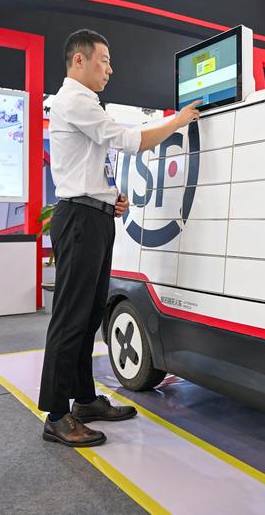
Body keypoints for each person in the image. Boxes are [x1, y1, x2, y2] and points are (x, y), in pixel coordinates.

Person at [39, 29, 201, 447]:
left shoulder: (86, 104)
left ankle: (84, 401)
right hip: (79, 220)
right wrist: (177, 121)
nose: (110, 69)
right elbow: (131, 142)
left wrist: (109, 197)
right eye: (104, 60)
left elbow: (90, 167)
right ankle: (56, 415)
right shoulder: (74, 100)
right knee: (71, 318)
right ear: (79, 61)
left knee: (89, 315)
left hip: (93, 217)